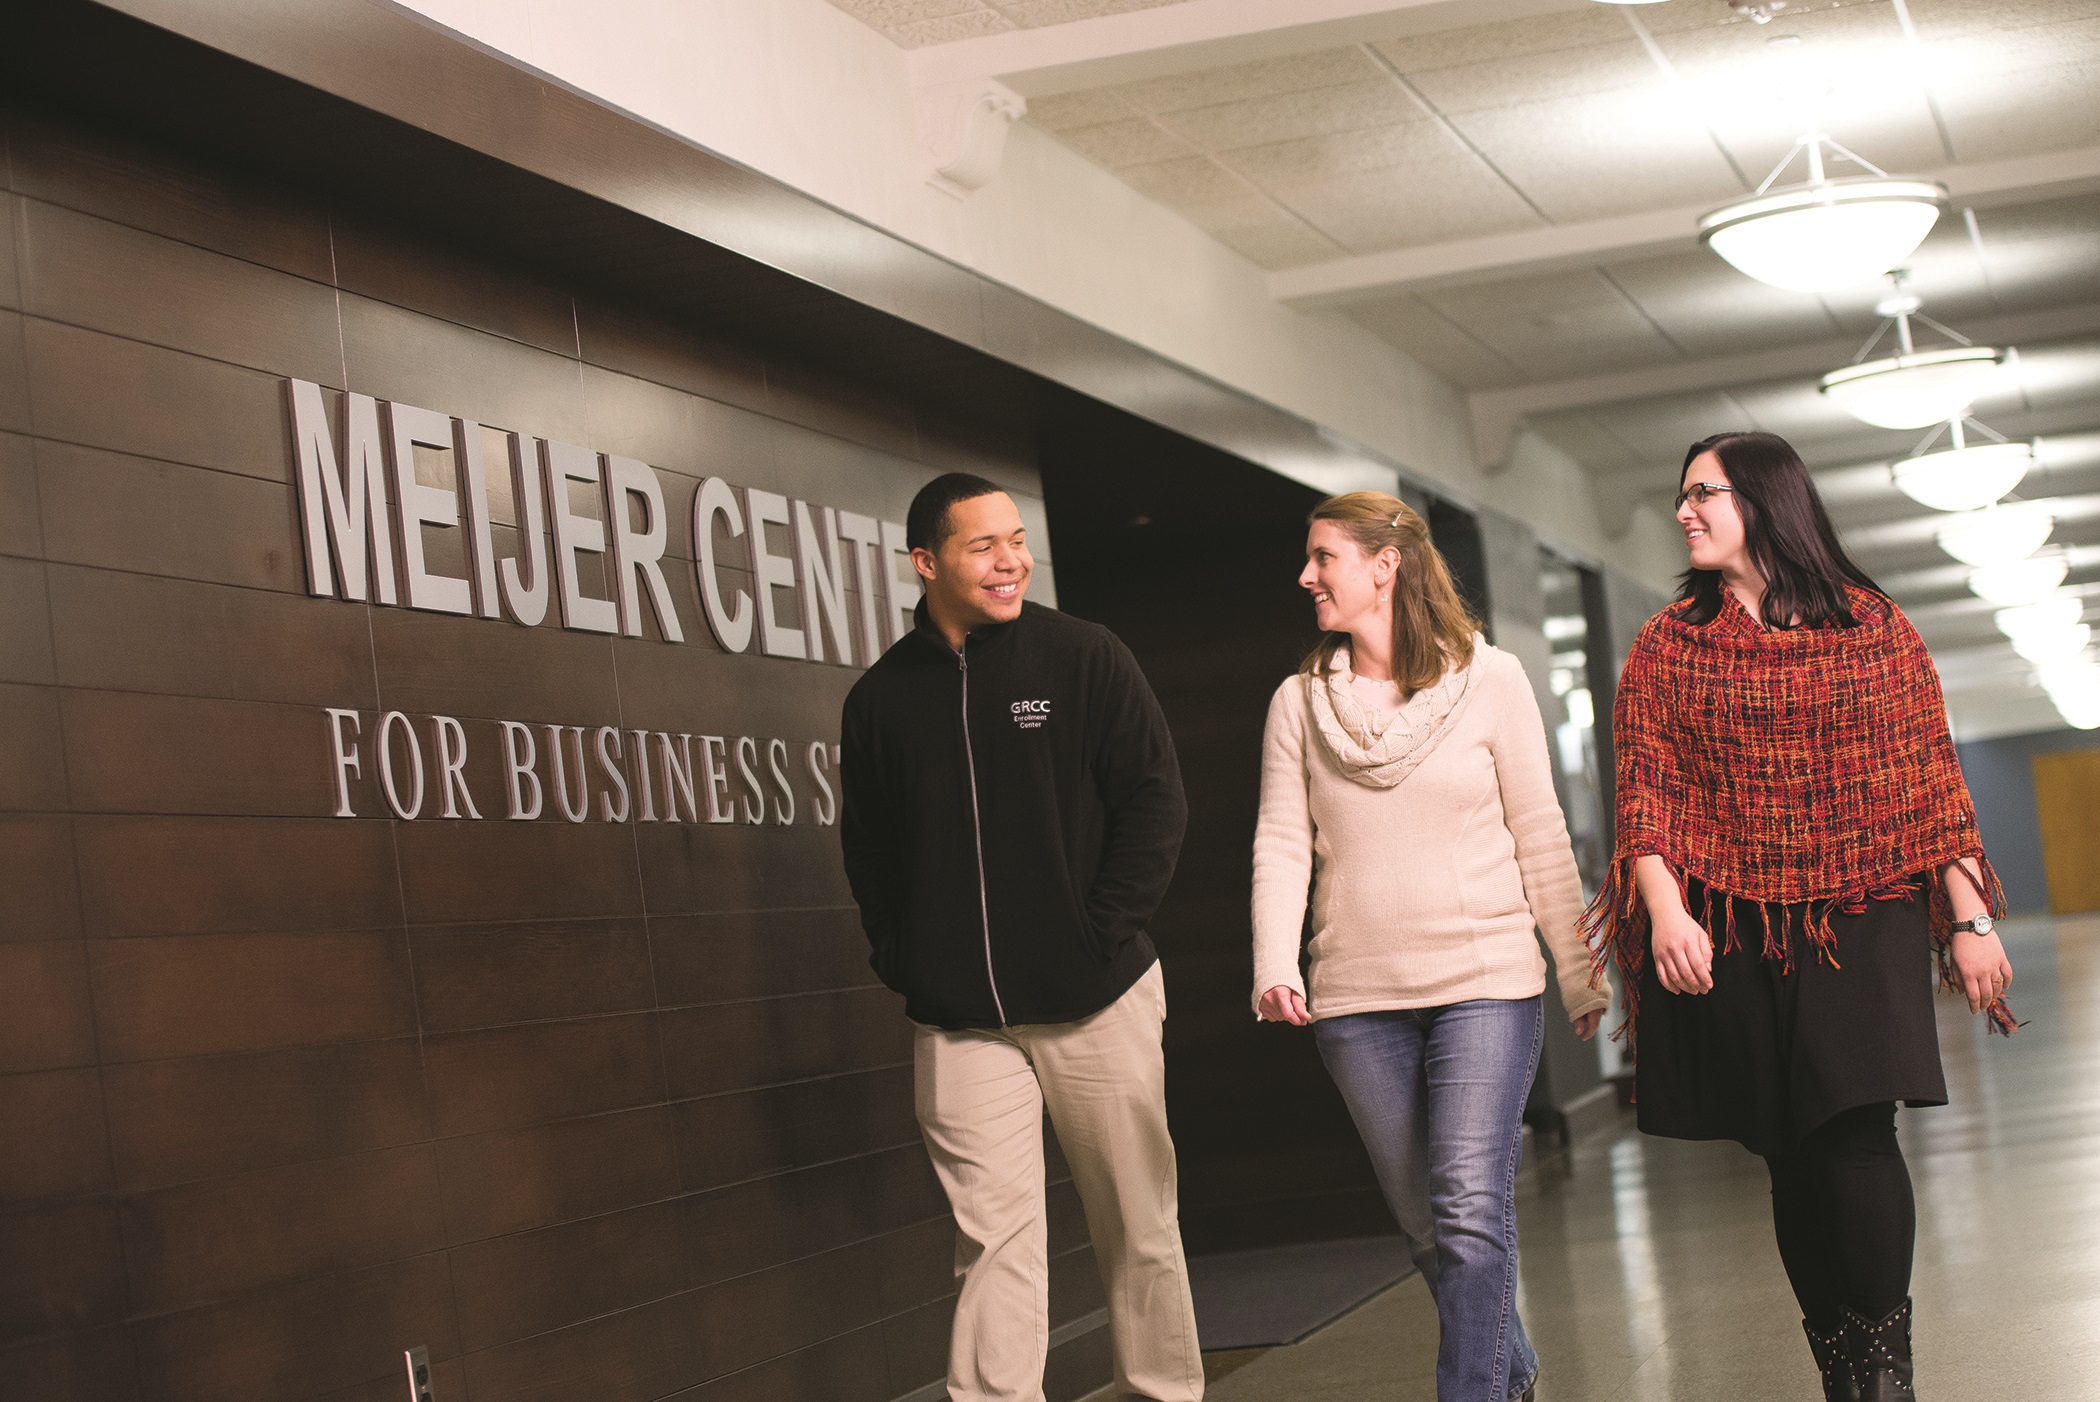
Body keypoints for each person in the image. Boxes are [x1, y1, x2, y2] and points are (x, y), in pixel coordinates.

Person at [1583, 431, 2018, 1402]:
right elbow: (1645, 792)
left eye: (1706, 493)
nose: (1687, 510)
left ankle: (1884, 1371)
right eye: (1683, 493)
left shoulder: (1873, 627)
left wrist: (1969, 918)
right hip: (1730, 920)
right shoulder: (1670, 644)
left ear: (1769, 503)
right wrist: (1665, 915)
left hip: (1860, 909)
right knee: (1786, 1148)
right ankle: (1842, 1370)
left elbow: (1927, 780)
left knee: (1856, 1131)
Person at [839, 472, 1204, 1402]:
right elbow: (869, 849)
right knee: (993, 1238)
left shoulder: (1083, 658)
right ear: (927, 563)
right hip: (961, 1018)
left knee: (1135, 1221)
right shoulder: (881, 700)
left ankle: (1162, 1391)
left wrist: (1098, 935)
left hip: (1096, 997)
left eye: (1016, 540)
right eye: (982, 546)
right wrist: (906, 955)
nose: (1010, 562)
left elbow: (1155, 803)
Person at [1251, 491, 1606, 1402]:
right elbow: (1282, 843)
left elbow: (1539, 830)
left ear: (1385, 565)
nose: (1306, 576)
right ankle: (1511, 1374)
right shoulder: (1298, 704)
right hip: (1357, 999)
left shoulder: (1494, 682)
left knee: (1469, 1209)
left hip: (1485, 981)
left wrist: (1577, 972)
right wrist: (1274, 963)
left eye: (1322, 556)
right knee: (1426, 1226)